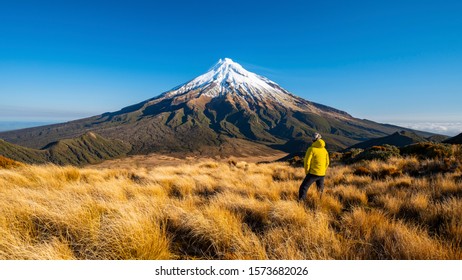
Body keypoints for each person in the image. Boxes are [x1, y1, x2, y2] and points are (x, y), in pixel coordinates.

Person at [298, 132, 330, 201]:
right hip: (322, 174)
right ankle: (319, 203)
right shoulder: (324, 150)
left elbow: (307, 162)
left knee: (303, 188)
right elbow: (327, 162)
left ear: (313, 140)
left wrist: (307, 172)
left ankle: (301, 204)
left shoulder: (311, 149)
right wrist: (323, 170)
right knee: (320, 190)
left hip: (313, 173)